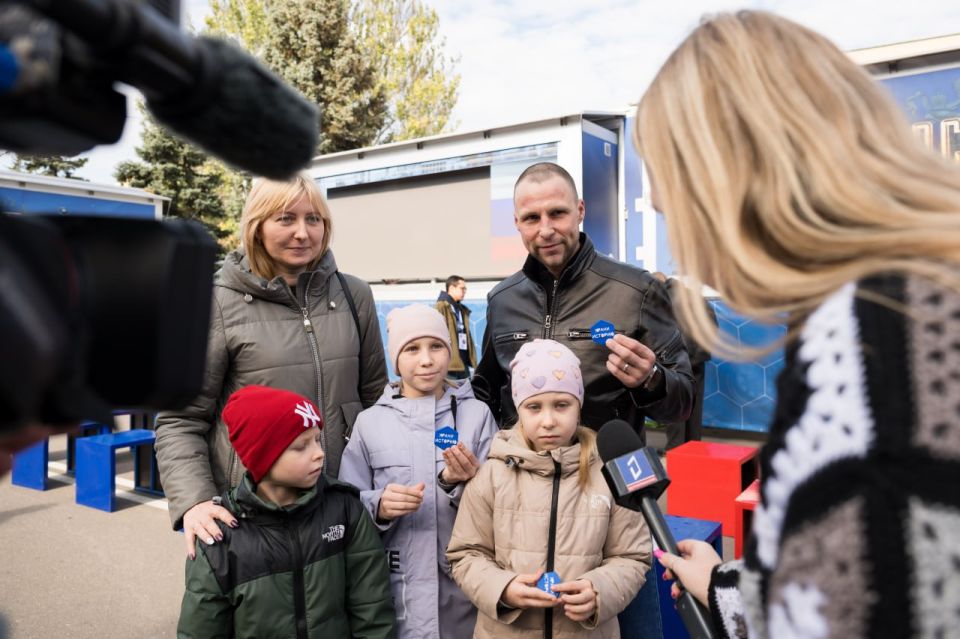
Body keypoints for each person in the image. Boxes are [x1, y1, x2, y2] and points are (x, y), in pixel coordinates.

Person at [634, 11, 960, 639]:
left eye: (672, 193)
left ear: (730, 176)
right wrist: (731, 589)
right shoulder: (907, 297)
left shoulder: (873, 351)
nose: (665, 216)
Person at [155, 172, 388, 556]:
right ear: (257, 226)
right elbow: (180, 419)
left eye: (313, 219)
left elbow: (376, 401)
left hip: (343, 504)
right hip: (253, 517)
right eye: (285, 218)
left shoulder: (353, 294)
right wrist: (195, 501)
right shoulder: (213, 303)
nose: (302, 232)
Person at [471, 162, 694, 441]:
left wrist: (651, 380)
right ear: (517, 223)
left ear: (580, 211)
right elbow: (487, 392)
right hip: (522, 478)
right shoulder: (502, 300)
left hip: (603, 476)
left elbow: (683, 403)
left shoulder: (638, 291)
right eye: (531, 218)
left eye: (557, 213)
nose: (546, 229)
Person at [447, 339, 651, 638]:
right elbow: (465, 554)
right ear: (519, 409)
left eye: (561, 405)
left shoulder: (610, 472)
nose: (548, 421)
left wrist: (599, 591)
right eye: (534, 407)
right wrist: (502, 589)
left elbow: (632, 556)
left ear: (578, 407)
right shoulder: (491, 474)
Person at [177, 385, 396, 638]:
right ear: (262, 457)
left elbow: (372, 610)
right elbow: (202, 629)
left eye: (317, 440)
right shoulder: (220, 536)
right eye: (301, 446)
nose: (319, 453)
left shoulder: (345, 510)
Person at [339, 304, 498, 639]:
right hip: (397, 592)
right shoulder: (370, 423)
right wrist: (378, 506)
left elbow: (502, 503)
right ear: (394, 358)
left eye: (436, 346)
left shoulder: (477, 415)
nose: (426, 360)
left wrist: (459, 485)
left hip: (463, 592)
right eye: (412, 349)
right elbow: (346, 506)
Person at [652, 272, 717, 451]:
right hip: (699, 359)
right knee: (694, 411)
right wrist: (703, 349)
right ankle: (693, 451)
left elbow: (661, 333)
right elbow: (713, 322)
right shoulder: (693, 295)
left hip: (678, 361)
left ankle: (675, 451)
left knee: (677, 409)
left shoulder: (663, 299)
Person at [435, 275, 477, 380]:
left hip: (463, 362)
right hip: (449, 366)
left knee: (466, 394)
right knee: (451, 395)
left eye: (465, 289)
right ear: (452, 288)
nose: (464, 291)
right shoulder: (441, 306)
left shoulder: (461, 309)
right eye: (462, 288)